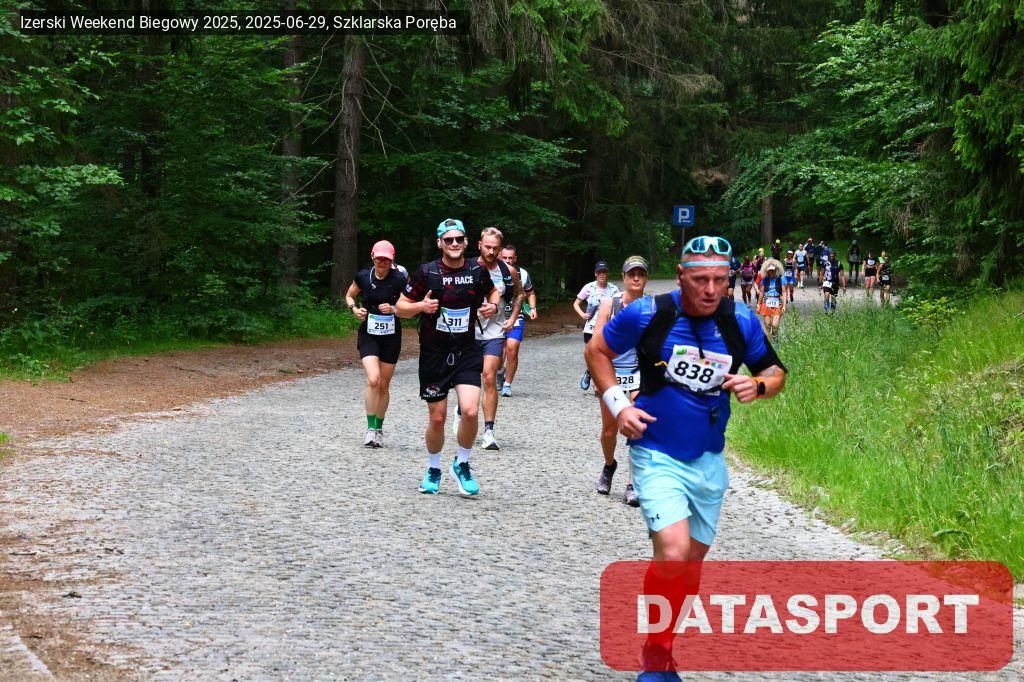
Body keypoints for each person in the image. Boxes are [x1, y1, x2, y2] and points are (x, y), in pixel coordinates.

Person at [585, 235, 786, 680]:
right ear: (680, 277)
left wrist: (760, 385)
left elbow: (775, 372)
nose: (711, 289)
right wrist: (619, 405)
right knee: (673, 554)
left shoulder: (740, 321)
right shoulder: (648, 313)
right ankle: (656, 653)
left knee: (690, 566)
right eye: (700, 280)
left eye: (720, 279)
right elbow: (597, 350)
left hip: (708, 460)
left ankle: (663, 644)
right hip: (656, 452)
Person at [396, 218, 502, 497]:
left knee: (470, 410)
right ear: (439, 243)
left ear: (466, 242)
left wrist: (492, 305)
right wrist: (421, 306)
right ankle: (434, 469)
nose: (454, 244)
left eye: (458, 239)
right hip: (435, 354)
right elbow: (400, 307)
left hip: (466, 350)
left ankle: (462, 464)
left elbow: (493, 291)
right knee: (438, 418)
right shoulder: (427, 272)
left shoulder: (476, 270)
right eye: (448, 240)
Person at [593, 256, 650, 507]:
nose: (636, 278)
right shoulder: (610, 304)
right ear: (624, 278)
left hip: (639, 373)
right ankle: (609, 465)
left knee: (637, 427)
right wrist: (597, 375)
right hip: (612, 372)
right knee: (609, 430)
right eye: (631, 274)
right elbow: (596, 344)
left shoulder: (652, 307)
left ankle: (632, 484)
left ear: (646, 278)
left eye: (641, 274)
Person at [462, 227, 525, 450]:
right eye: (487, 247)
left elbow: (519, 294)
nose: (490, 251)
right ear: (479, 245)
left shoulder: (508, 271)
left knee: (489, 376)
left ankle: (489, 431)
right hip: (468, 331)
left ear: (500, 249)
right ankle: (462, 410)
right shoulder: (466, 267)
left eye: (495, 248)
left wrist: (512, 318)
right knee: (467, 379)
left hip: (494, 331)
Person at [345, 240, 408, 448]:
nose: (382, 262)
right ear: (373, 257)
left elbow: (408, 306)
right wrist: (355, 310)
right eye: (379, 258)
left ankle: (379, 428)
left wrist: (394, 309)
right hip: (369, 334)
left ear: (392, 260)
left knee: (383, 384)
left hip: (391, 336)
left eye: (386, 259)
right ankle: (370, 429)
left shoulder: (400, 279)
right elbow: (349, 295)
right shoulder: (363, 276)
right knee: (373, 379)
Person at [573, 261, 620, 390]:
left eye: (604, 272)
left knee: (605, 356)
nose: (602, 274)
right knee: (591, 355)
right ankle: (589, 373)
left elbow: (619, 307)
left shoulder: (614, 289)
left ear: (607, 274)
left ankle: (598, 384)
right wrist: (582, 314)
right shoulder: (588, 287)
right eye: (599, 272)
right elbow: (576, 303)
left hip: (607, 328)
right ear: (595, 274)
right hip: (591, 328)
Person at [498, 244, 537, 397]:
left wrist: (532, 308)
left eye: (510, 258)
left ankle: (507, 385)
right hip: (496, 318)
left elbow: (530, 292)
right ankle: (499, 372)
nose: (507, 261)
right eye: (504, 258)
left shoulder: (523, 274)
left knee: (512, 349)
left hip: (516, 317)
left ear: (515, 258)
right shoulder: (493, 271)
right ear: (500, 257)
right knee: (498, 355)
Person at [756, 261, 786, 344]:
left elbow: (784, 292)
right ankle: (769, 345)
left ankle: (775, 341)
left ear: (776, 270)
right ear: (767, 271)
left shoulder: (781, 279)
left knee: (775, 325)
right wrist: (758, 305)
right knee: (767, 325)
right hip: (766, 303)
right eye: (770, 270)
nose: (771, 272)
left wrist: (784, 306)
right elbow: (761, 293)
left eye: (773, 270)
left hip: (777, 303)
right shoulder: (765, 280)